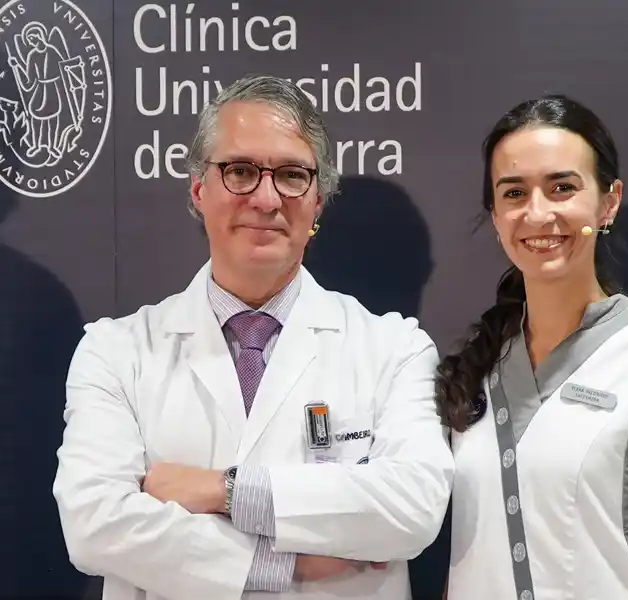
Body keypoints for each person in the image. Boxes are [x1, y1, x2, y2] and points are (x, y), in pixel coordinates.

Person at [51, 75, 454, 600]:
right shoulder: (116, 352)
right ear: (199, 191)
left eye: (291, 175)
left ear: (318, 204)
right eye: (240, 171)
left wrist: (223, 490)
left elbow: (411, 509)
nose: (266, 198)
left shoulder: (394, 349)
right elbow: (93, 524)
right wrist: (276, 564)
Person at [436, 94, 628, 600]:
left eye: (562, 187)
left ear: (609, 202)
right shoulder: (479, 365)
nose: (538, 213)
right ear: (494, 215)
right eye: (514, 194)